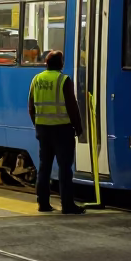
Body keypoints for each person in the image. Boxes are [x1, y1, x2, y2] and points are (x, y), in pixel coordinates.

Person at [28, 50, 85, 214]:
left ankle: (43, 204)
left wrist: (38, 125)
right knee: (64, 168)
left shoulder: (36, 79)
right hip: (62, 130)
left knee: (44, 167)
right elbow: (72, 107)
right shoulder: (63, 80)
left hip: (43, 130)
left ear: (46, 63)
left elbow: (31, 108)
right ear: (61, 64)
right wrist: (78, 127)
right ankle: (67, 205)